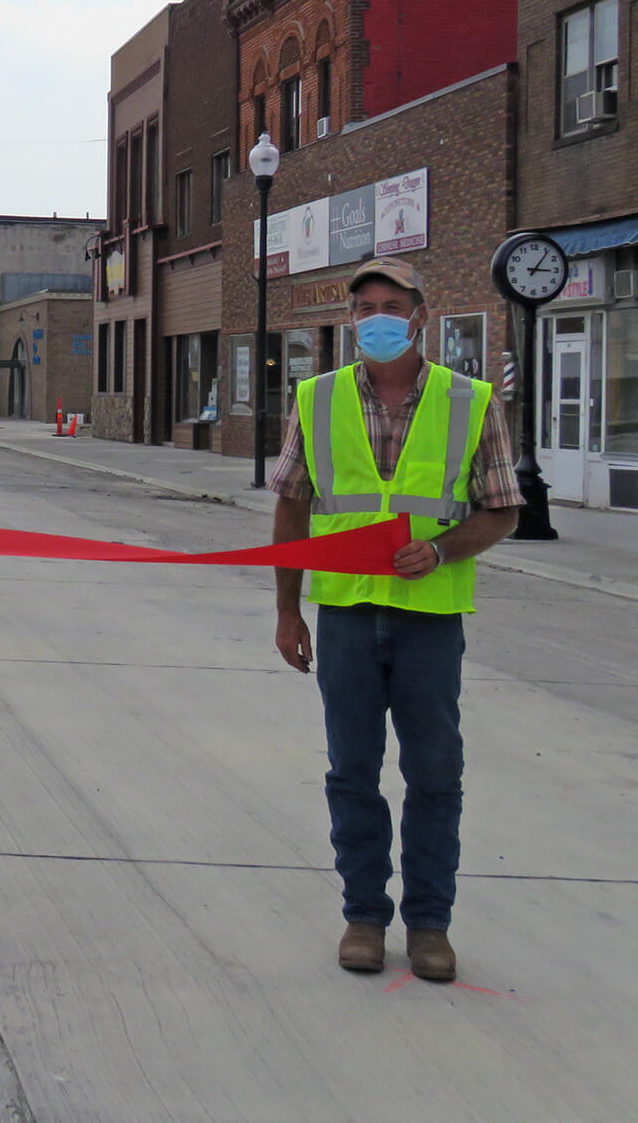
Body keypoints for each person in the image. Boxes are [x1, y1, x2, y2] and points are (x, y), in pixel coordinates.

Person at [270, 257, 520, 982]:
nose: (376, 317)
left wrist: (441, 549)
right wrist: (289, 610)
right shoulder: (315, 398)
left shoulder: (470, 401)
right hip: (346, 615)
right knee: (352, 771)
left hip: (429, 622)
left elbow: (503, 508)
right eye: (364, 307)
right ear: (352, 320)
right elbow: (291, 504)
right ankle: (364, 917)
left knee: (436, 774)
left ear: (419, 314)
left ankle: (431, 925)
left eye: (391, 304)